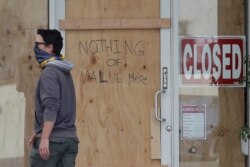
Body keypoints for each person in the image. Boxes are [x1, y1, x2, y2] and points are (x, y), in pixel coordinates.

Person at [28, 29, 79, 167]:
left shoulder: (49, 73)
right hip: (69, 140)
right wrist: (39, 130)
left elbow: (51, 106)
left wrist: (44, 138)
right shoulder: (63, 72)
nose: (35, 47)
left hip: (53, 142)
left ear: (50, 47)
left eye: (38, 44)